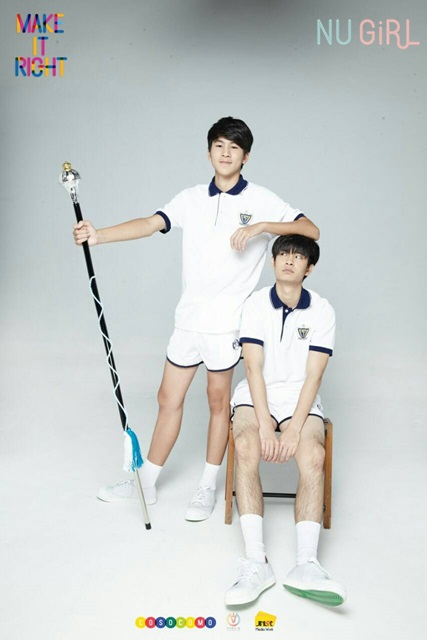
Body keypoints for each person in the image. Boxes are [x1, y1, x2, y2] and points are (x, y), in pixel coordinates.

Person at [73, 117, 319, 522]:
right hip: (188, 320)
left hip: (227, 326)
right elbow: (150, 224)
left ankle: (207, 486)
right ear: (209, 152)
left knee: (218, 403)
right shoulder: (190, 198)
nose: (226, 153)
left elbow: (311, 230)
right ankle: (147, 482)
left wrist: (262, 226)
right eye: (219, 145)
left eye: (234, 148)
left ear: (246, 157)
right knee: (167, 399)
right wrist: (99, 236)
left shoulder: (260, 198)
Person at [225, 234, 346, 606]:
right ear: (273, 261)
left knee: (313, 456)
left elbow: (314, 376)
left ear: (310, 268)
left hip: (300, 398)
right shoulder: (255, 304)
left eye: (298, 256)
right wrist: (264, 423)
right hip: (256, 394)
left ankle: (306, 564)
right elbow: (252, 367)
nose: (289, 260)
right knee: (246, 446)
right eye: (282, 254)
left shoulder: (322, 310)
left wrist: (293, 429)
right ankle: (256, 562)